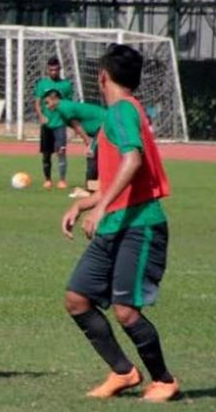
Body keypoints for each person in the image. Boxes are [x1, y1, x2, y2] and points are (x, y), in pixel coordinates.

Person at [61, 44, 179, 402]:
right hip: (115, 223)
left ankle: (164, 380)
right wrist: (87, 203)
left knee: (126, 311)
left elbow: (133, 160)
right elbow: (121, 174)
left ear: (102, 76)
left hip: (139, 225)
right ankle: (123, 372)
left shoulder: (122, 112)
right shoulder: (122, 111)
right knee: (77, 298)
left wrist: (100, 208)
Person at [43, 90, 106, 198]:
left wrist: (88, 142)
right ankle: (95, 188)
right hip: (102, 126)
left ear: (54, 99)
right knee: (98, 157)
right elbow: (75, 128)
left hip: (103, 126)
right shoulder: (63, 107)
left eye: (47, 102)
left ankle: (90, 190)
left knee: (92, 156)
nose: (46, 106)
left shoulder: (63, 108)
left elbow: (77, 126)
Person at [34, 57, 75, 189]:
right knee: (46, 154)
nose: (53, 72)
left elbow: (68, 104)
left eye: (56, 70)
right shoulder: (42, 84)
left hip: (60, 124)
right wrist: (41, 116)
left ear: (60, 69)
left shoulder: (66, 85)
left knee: (61, 151)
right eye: (51, 70)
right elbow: (37, 102)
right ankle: (47, 179)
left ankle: (62, 180)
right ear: (48, 70)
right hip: (46, 125)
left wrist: (69, 120)